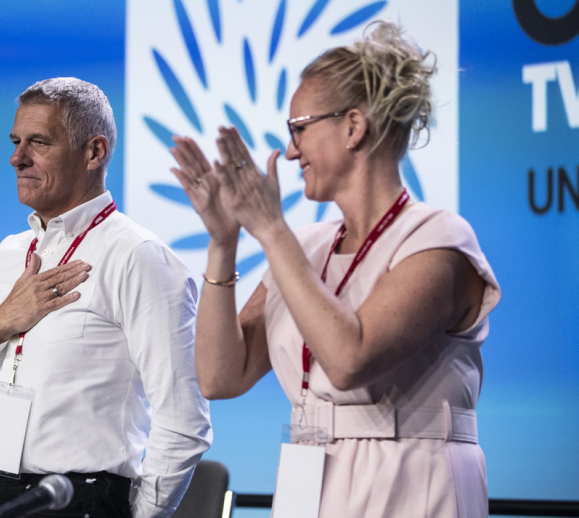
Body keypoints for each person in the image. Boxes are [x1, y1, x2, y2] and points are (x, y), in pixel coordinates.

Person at [170, 22, 500, 518]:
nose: (291, 151)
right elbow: (221, 377)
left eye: (299, 128)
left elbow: (349, 361)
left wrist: (271, 228)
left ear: (353, 126)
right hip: (311, 474)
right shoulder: (307, 245)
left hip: (412, 479)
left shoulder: (440, 240)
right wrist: (224, 241)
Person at [0, 77, 211, 518]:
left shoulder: (138, 257)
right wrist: (0, 323)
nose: (17, 158)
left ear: (94, 152)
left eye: (39, 141)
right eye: (16, 141)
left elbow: (184, 420)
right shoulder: (9, 254)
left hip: (83, 503)